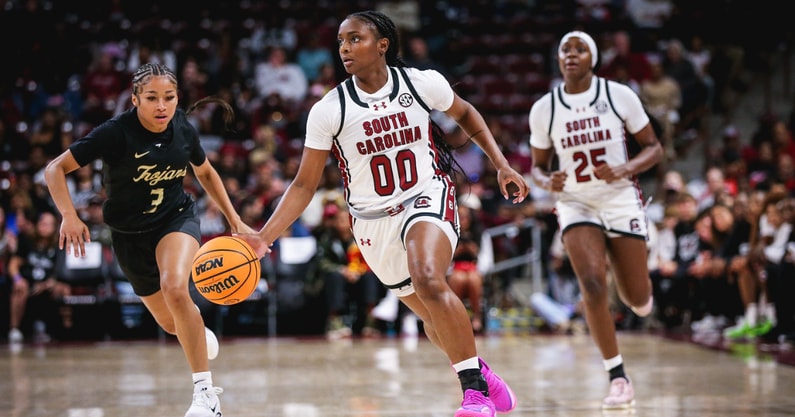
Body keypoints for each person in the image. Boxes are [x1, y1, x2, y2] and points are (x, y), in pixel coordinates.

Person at [238, 10, 527, 417]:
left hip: (427, 195)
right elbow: (303, 185)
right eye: (341, 42)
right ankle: (481, 374)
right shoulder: (330, 109)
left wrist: (501, 164)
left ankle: (473, 396)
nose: (344, 48)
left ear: (383, 44)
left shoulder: (421, 83)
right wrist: (263, 236)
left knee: (429, 278)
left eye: (355, 39)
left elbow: (465, 114)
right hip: (371, 223)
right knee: (432, 317)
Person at [43, 63, 255, 417]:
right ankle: (197, 334)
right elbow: (55, 169)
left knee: (175, 287)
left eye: (169, 98)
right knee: (172, 323)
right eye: (152, 98)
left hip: (176, 219)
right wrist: (69, 215)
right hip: (128, 236)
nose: (162, 106)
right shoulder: (115, 133)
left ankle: (205, 396)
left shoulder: (183, 129)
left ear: (178, 99)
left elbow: (205, 172)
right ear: (135, 99)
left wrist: (235, 221)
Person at [528, 31, 663, 410]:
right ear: (558, 60)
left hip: (619, 199)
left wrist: (624, 169)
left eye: (579, 49)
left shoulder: (618, 95)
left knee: (636, 299)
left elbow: (654, 148)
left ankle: (642, 295)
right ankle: (617, 376)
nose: (571, 55)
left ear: (594, 57)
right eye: (565, 50)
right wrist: (544, 179)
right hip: (575, 202)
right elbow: (537, 168)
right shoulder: (545, 108)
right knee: (591, 282)